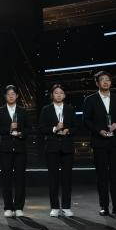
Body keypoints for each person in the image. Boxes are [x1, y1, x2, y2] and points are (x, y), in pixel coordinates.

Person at [83, 70, 116, 216]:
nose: (105, 82)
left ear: (111, 82)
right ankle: (104, 206)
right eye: (102, 79)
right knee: (102, 176)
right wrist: (99, 131)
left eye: (108, 79)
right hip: (99, 142)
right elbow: (86, 120)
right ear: (97, 83)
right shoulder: (90, 99)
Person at [39, 84, 76, 217]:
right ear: (52, 95)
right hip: (52, 147)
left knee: (67, 178)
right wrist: (54, 129)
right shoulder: (46, 109)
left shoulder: (70, 109)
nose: (59, 95)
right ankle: (54, 207)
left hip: (67, 147)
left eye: (61, 93)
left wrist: (68, 130)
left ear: (64, 95)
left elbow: (76, 127)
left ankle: (66, 207)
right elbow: (41, 128)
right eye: (56, 93)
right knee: (53, 178)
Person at [0, 85, 30, 218]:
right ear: (5, 96)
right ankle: (8, 207)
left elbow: (29, 128)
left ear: (17, 96)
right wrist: (8, 129)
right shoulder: (0, 111)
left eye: (13, 94)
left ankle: (19, 207)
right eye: (8, 94)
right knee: (6, 179)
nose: (11, 96)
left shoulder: (23, 111)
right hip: (5, 149)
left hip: (20, 149)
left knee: (20, 179)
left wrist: (20, 133)